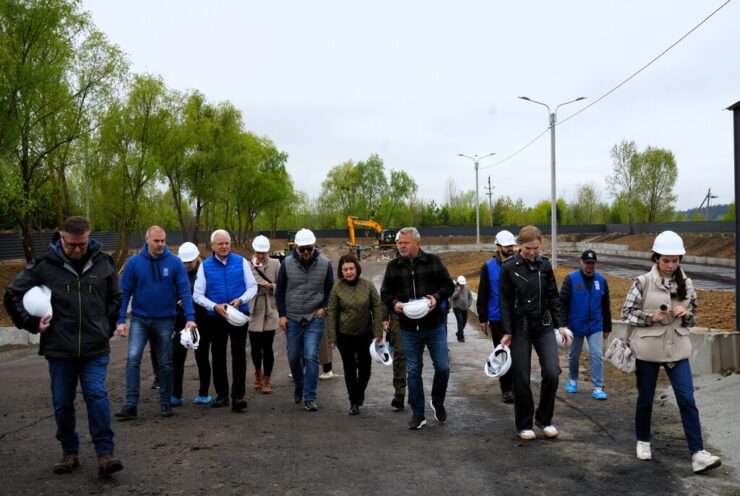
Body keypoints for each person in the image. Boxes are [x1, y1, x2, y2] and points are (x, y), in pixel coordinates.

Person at [4, 216, 123, 476]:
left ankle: (105, 454)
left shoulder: (104, 263)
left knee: (96, 395)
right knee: (62, 403)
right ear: (61, 238)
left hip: (95, 347)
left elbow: (116, 297)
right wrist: (32, 323)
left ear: (89, 237)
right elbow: (12, 294)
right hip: (59, 349)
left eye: (82, 244)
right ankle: (70, 452)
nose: (77, 250)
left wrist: (107, 326)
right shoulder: (44, 265)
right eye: (71, 245)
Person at [620, 231, 721, 473]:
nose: (670, 265)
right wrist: (649, 317)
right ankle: (643, 441)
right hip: (648, 350)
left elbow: (693, 317)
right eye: (666, 260)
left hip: (678, 350)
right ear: (656, 258)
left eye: (675, 260)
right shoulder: (642, 282)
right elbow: (626, 313)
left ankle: (698, 453)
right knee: (646, 399)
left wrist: (687, 315)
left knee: (687, 399)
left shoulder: (687, 284)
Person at [116, 226, 196, 419]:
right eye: (156, 241)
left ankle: (165, 402)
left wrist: (190, 318)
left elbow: (185, 291)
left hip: (164, 319)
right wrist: (120, 320)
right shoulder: (134, 263)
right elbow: (124, 292)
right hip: (139, 319)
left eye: (163, 241)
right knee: (133, 358)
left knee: (166, 362)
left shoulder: (175, 263)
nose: (160, 244)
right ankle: (131, 404)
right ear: (147, 240)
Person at [499, 225, 569, 440]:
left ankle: (544, 418)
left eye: (536, 248)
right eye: (528, 248)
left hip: (543, 325)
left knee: (552, 372)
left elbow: (553, 297)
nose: (532, 252)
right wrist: (507, 331)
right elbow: (505, 302)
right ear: (520, 245)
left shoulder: (544, 265)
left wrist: (561, 325)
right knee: (520, 377)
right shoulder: (509, 268)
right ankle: (524, 423)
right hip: (520, 327)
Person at [381, 227, 455, 430]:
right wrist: (394, 304)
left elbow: (449, 285)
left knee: (443, 367)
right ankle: (418, 414)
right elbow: (385, 293)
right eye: (399, 243)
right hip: (407, 328)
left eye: (405, 242)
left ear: (417, 243)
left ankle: (437, 401)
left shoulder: (433, 261)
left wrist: (436, 297)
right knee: (414, 371)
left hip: (434, 325)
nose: (401, 246)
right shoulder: (393, 267)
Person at [193, 230, 258, 412]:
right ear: (212, 245)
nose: (224, 246)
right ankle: (222, 395)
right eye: (220, 243)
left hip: (238, 315)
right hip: (215, 317)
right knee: (218, 355)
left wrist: (241, 300)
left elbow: (252, 286)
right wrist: (214, 306)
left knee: (238, 353)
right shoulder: (205, 266)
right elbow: (197, 295)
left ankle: (238, 396)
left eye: (227, 243)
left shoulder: (241, 262)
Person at [275, 228, 334, 412]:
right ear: (296, 248)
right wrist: (282, 315)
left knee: (311, 355)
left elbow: (330, 290)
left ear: (314, 246)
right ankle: (299, 384)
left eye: (310, 248)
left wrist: (324, 308)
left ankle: (310, 397)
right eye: (303, 249)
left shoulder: (325, 264)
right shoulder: (286, 263)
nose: (307, 253)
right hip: (292, 317)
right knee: (293, 356)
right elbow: (280, 291)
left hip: (314, 317)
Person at [327, 254, 384, 415]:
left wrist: (377, 332)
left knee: (365, 367)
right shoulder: (337, 288)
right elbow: (331, 312)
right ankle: (354, 401)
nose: (349, 272)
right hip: (344, 335)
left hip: (366, 333)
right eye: (345, 269)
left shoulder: (368, 286)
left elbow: (377, 308)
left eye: (351, 268)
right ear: (341, 271)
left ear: (357, 268)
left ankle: (360, 392)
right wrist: (332, 337)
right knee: (350, 368)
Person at [560, 249, 612, 400]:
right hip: (575, 325)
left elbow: (605, 305)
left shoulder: (601, 281)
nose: (590, 265)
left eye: (592, 263)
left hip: (595, 325)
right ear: (581, 262)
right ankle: (573, 379)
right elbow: (562, 303)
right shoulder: (571, 279)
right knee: (574, 355)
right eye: (587, 262)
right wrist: (563, 324)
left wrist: (607, 327)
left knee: (596, 354)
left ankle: (598, 386)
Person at [476, 229, 517, 403]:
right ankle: (507, 389)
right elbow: (483, 292)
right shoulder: (488, 267)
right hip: (497, 318)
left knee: (518, 354)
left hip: (517, 316)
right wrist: (483, 318)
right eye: (507, 246)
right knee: (503, 354)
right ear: (499, 247)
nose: (511, 249)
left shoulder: (519, 264)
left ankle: (517, 386)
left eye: (512, 246)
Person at [171, 242, 208, 406]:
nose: (186, 265)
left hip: (201, 320)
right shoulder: (175, 273)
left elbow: (208, 296)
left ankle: (203, 393)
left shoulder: (204, 273)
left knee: (202, 357)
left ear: (196, 259)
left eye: (190, 262)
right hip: (180, 320)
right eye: (184, 262)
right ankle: (176, 394)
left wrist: (190, 302)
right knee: (177, 357)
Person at [247, 235, 280, 394]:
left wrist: (271, 286)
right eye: (259, 252)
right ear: (254, 250)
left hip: (270, 308)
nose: (261, 255)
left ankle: (267, 379)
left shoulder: (275, 263)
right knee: (255, 347)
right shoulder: (247, 265)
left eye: (264, 252)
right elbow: (243, 285)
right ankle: (257, 374)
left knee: (267, 347)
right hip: (254, 308)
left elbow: (282, 285)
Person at [383, 307, 407, 410]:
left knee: (415, 358)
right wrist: (384, 318)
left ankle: (415, 391)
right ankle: (399, 394)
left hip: (420, 316)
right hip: (397, 316)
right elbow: (385, 294)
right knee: (399, 354)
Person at [450, 275, 473, 342]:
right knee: (460, 321)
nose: (462, 285)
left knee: (464, 322)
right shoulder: (455, 288)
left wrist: (469, 304)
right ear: (458, 283)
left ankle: (458, 333)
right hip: (457, 308)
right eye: (461, 284)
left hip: (465, 309)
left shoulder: (466, 288)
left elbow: (470, 297)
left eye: (463, 284)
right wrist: (457, 291)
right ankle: (461, 337)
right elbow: (452, 297)